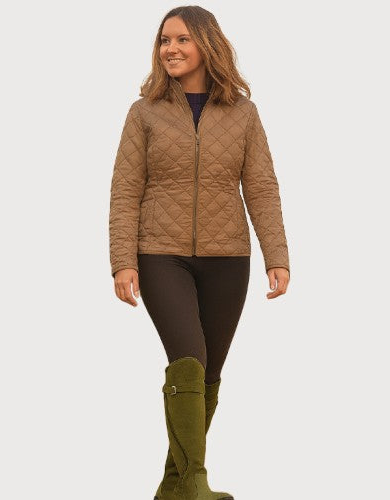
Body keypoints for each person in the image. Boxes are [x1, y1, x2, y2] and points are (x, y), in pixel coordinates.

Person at [109, 6, 290, 499]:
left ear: (207, 45)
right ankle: (196, 483)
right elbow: (125, 190)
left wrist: (276, 254)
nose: (170, 48)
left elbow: (262, 187)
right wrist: (123, 259)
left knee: (208, 373)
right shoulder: (144, 112)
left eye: (182, 39)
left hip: (228, 257)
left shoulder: (243, 113)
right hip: (159, 252)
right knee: (188, 359)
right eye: (164, 40)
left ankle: (176, 486)